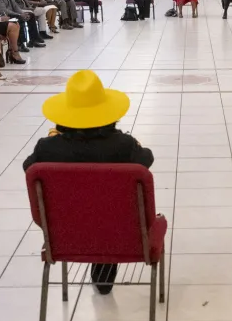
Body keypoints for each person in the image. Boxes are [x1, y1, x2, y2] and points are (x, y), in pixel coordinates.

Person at [23, 71, 153, 295]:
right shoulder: (123, 145)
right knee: (105, 209)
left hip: (64, 233)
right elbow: (146, 159)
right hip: (121, 230)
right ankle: (104, 276)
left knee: (86, 210)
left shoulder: (47, 147)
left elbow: (29, 167)